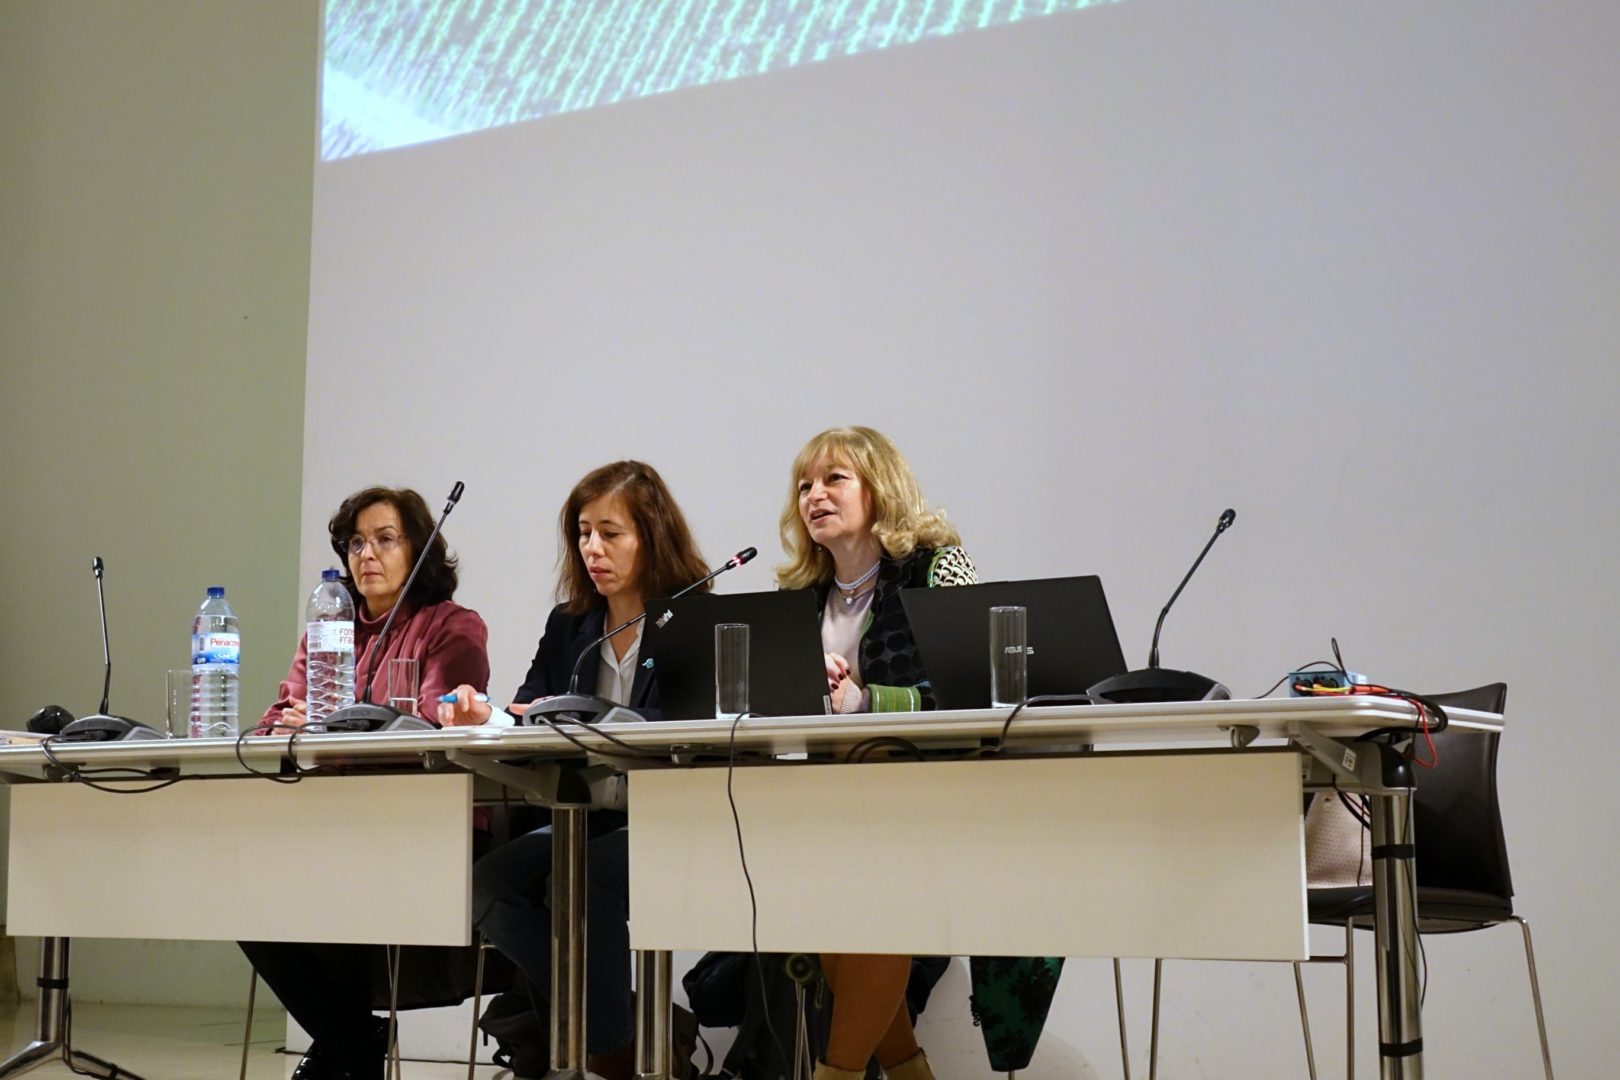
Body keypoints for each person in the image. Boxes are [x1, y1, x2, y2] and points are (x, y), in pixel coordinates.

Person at [438, 460, 710, 1080]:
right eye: (583, 533)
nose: (592, 549)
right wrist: (486, 716)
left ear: (652, 535)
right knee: (491, 883)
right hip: (584, 812)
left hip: (670, 816)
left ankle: (607, 1053)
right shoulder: (570, 626)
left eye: (610, 533)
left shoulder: (692, 618)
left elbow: (692, 729)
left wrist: (603, 726)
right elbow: (530, 711)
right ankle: (622, 1040)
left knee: (583, 878)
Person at [242, 485, 490, 1080]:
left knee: (337, 879)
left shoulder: (452, 626)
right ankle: (355, 1043)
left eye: (385, 539)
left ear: (419, 551)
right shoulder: (330, 627)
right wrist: (293, 725)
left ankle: (349, 1050)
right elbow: (277, 717)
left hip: (426, 824)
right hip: (338, 821)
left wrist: (329, 724)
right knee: (245, 891)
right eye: (356, 543)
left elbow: (431, 722)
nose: (366, 555)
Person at [777, 426, 976, 1080]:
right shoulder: (800, 599)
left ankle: (833, 1073)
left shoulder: (938, 569)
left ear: (879, 487)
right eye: (804, 485)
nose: (814, 495)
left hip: (923, 796)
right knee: (836, 938)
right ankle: (909, 1071)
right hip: (827, 800)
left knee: (866, 916)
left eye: (834, 479)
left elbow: (970, 692)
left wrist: (866, 701)